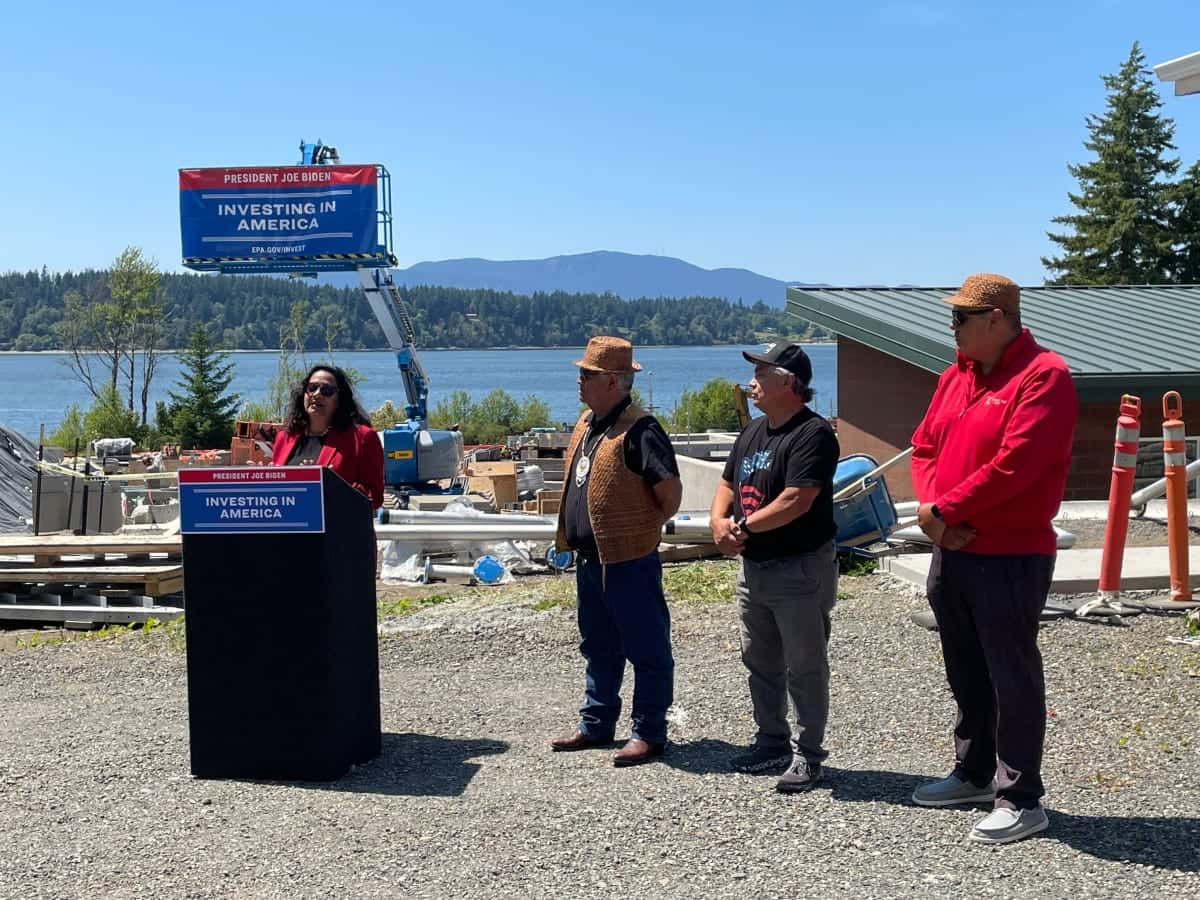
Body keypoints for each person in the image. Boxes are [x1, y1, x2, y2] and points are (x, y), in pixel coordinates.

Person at [909, 273, 1077, 845]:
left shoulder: (1044, 376)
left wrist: (945, 511)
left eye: (960, 317)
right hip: (952, 549)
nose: (951, 326)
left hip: (1009, 553)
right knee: (966, 671)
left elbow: (1017, 465)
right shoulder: (954, 376)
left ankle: (1022, 797)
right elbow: (925, 445)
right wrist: (937, 513)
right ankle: (975, 772)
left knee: (1012, 675)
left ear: (998, 319)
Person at [710, 342, 840, 793]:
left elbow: (796, 500)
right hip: (756, 567)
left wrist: (740, 528)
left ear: (789, 382)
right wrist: (716, 523)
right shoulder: (754, 432)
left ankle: (808, 754)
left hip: (800, 567)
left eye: (762, 373)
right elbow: (727, 482)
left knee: (805, 664)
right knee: (760, 659)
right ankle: (771, 741)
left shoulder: (814, 434)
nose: (752, 382)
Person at [550, 336, 682, 767]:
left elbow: (670, 494)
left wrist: (640, 526)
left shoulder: (642, 429)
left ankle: (648, 732)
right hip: (591, 560)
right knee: (598, 645)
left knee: (646, 647)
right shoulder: (588, 423)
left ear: (611, 381)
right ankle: (597, 723)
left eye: (586, 374)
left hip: (630, 559)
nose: (579, 380)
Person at [272, 364, 385, 509]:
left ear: (339, 399)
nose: (317, 394)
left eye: (326, 390)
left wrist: (330, 484)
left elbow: (375, 497)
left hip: (340, 529)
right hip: (294, 527)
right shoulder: (285, 437)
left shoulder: (362, 437)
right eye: (312, 387)